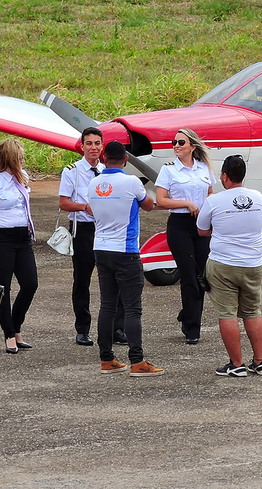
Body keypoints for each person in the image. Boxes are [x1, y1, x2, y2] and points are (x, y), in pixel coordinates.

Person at [88, 141, 162, 376]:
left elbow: (91, 209)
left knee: (107, 306)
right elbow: (149, 205)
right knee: (132, 309)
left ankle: (106, 359)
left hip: (101, 248)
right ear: (126, 160)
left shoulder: (93, 183)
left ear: (103, 158)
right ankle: (137, 361)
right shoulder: (131, 182)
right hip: (126, 250)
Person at [197, 155, 262, 378]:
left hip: (224, 263)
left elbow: (201, 230)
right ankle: (260, 361)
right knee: (253, 312)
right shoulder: (258, 198)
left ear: (225, 176)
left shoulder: (214, 200)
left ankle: (236, 364)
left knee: (227, 313)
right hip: (254, 263)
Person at [58, 126, 127, 347]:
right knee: (82, 279)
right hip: (84, 229)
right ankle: (83, 329)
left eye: (97, 143)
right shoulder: (72, 171)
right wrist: (85, 207)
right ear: (82, 146)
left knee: (116, 277)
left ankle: (117, 328)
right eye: (89, 143)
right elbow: (64, 202)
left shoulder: (111, 170)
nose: (93, 148)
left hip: (108, 228)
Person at [0, 139, 39, 355]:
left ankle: (16, 324)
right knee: (3, 289)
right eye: (19, 158)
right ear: (9, 159)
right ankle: (10, 334)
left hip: (22, 237)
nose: (23, 161)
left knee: (30, 284)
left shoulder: (23, 178)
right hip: (0, 239)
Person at [155, 128, 214, 345]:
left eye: (181, 142)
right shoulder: (169, 170)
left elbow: (209, 193)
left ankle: (187, 314)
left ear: (192, 146)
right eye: (174, 142)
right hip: (179, 225)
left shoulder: (204, 168)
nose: (176, 145)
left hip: (201, 225)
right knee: (189, 275)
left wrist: (209, 212)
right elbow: (161, 200)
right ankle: (192, 329)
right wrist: (186, 203)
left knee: (202, 276)